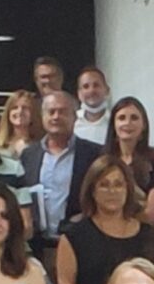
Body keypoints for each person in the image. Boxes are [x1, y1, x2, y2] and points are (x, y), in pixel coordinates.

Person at [55, 157, 148, 284]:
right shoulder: (74, 235)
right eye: (104, 185)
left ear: (128, 189)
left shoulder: (149, 235)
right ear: (92, 191)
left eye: (118, 185)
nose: (112, 191)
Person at [28, 88, 101, 257]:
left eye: (62, 112)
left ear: (75, 116)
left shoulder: (94, 154)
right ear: (42, 116)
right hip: (36, 247)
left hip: (80, 244)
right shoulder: (28, 155)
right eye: (51, 112)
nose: (56, 117)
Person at [101, 94, 154, 224]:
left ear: (144, 125)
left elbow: (153, 213)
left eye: (134, 118)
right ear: (113, 125)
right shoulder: (103, 160)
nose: (127, 123)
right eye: (121, 118)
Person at [72, 64, 113, 145]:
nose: (91, 91)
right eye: (86, 86)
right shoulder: (72, 122)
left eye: (96, 85)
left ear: (107, 90)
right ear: (79, 93)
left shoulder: (116, 121)